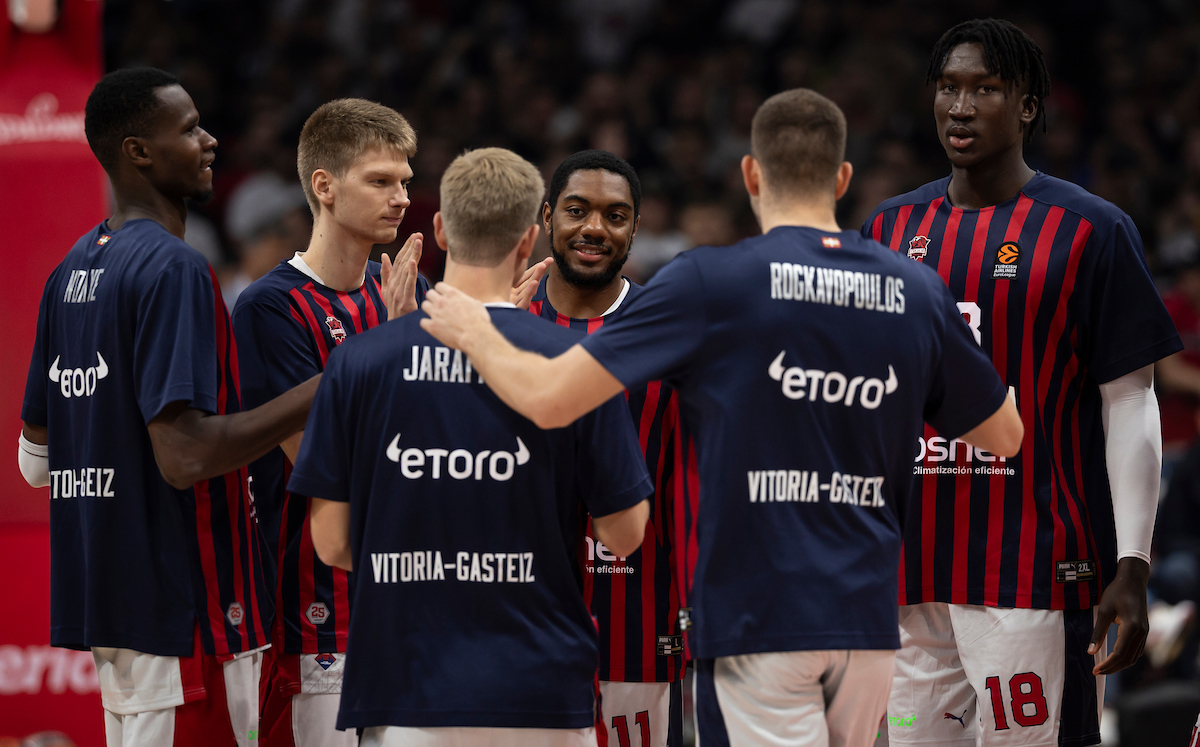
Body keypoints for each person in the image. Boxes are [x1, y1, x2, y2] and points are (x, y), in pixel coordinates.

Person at [420, 89, 1023, 747]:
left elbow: (550, 398)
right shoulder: (915, 288)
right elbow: (1004, 434)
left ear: (751, 174)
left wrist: (475, 330)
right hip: (869, 622)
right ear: (842, 177)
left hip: (756, 616)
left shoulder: (712, 281)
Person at [862, 18, 1182, 747]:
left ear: (1029, 106)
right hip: (911, 576)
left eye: (986, 88)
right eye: (949, 87)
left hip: (1036, 569)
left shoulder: (1091, 229)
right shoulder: (887, 229)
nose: (962, 106)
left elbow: (1130, 397)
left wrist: (1132, 563)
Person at [291, 147, 654, 747]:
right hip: (540, 690)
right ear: (529, 238)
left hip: (407, 690)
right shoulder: (576, 359)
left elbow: (331, 543)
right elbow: (625, 534)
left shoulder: (359, 360)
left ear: (438, 228)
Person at [18, 67, 320, 746]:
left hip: (117, 619)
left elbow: (34, 461)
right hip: (189, 622)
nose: (209, 140)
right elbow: (185, 455)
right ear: (138, 151)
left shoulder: (70, 270)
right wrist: (325, 388)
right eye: (189, 129)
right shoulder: (173, 267)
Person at [231, 98, 426, 747]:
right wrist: (402, 352)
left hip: (409, 617)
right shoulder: (269, 308)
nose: (401, 197)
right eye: (380, 180)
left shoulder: (404, 290)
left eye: (404, 180)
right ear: (324, 185)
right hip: (314, 624)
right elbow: (326, 466)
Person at [530, 149, 684, 747]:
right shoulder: (499, 323)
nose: (594, 228)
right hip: (518, 630)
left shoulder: (671, 329)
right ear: (547, 216)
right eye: (577, 210)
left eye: (615, 215)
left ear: (635, 229)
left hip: (640, 623)